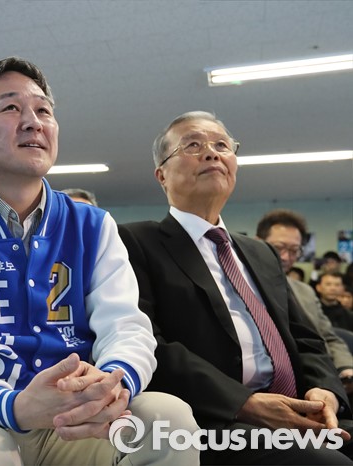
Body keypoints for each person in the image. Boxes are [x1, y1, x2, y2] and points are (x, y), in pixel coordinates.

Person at [0, 57, 198, 465]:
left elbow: (126, 326)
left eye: (43, 110)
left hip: (72, 415)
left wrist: (113, 383)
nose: (33, 122)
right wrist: (14, 406)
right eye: (10, 107)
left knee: (168, 420)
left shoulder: (93, 225)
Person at [117, 110, 352, 464]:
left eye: (222, 146)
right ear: (161, 175)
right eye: (192, 146)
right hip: (212, 419)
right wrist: (245, 403)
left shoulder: (260, 252)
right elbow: (150, 344)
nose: (211, 153)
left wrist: (326, 392)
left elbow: (305, 338)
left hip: (296, 410)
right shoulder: (135, 242)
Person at [256, 209, 353, 389]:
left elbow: (329, 337)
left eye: (294, 250)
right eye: (278, 248)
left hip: (321, 378)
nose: (285, 257)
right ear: (256, 243)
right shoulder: (243, 287)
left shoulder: (305, 291)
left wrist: (346, 368)